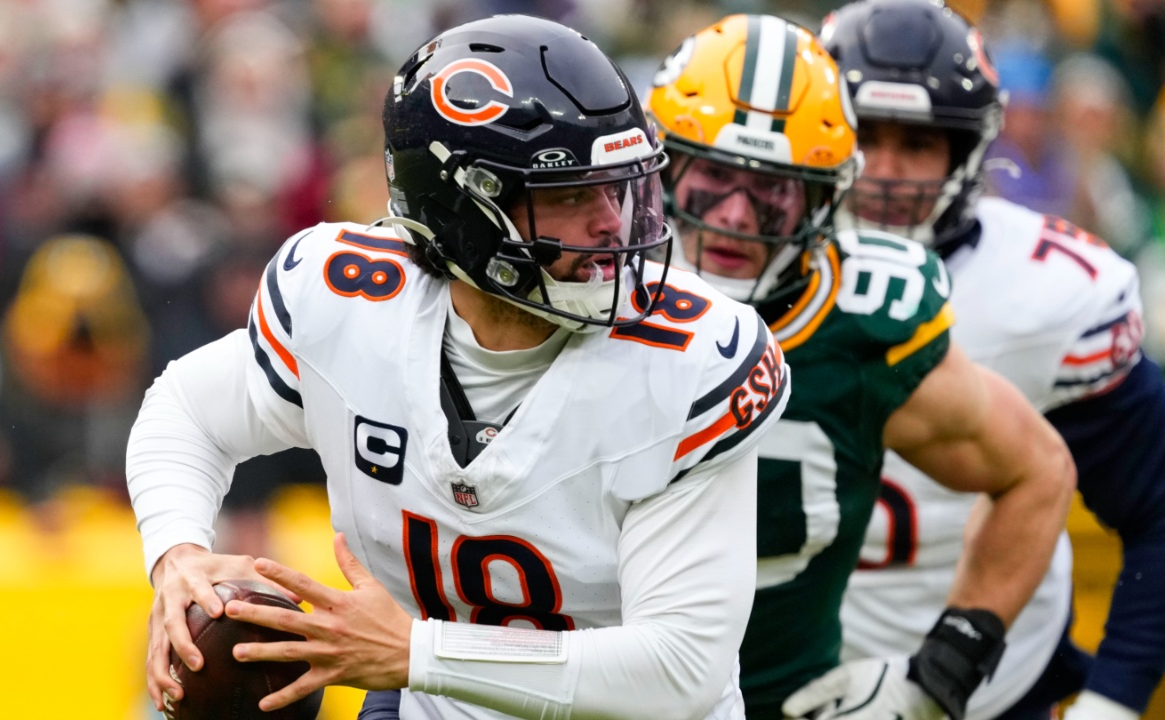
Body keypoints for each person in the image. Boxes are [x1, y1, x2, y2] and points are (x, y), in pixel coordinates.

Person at [127, 15, 790, 720]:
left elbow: (678, 670)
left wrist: (417, 653)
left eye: (620, 187)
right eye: (570, 194)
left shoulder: (690, 358)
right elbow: (185, 412)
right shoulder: (347, 301)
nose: (612, 222)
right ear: (461, 212)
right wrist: (178, 557)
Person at [645, 13, 1074, 720]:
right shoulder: (591, 299)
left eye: (772, 189)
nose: (735, 215)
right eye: (715, 175)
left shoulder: (860, 322)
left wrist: (940, 676)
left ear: (824, 194)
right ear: (664, 166)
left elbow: (1039, 470)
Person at [822, 1, 1165, 718]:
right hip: (770, 680)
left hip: (990, 689)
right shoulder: (743, 277)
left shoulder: (1049, 293)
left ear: (966, 149)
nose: (882, 174)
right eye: (862, 137)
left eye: (915, 144)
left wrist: (1114, 699)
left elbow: (1159, 509)